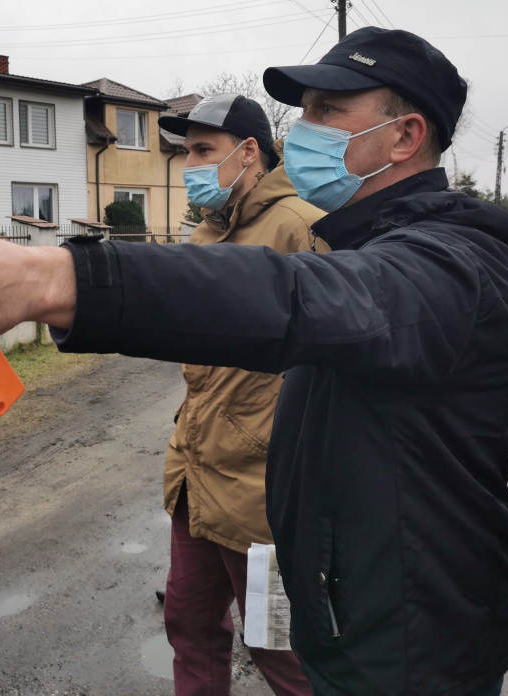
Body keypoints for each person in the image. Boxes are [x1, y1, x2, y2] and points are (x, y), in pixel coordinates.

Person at [0, 28, 508, 696]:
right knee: (197, 628)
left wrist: (57, 280)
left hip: (411, 644)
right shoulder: (358, 238)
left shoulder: (453, 262)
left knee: (273, 653)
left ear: (405, 136)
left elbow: (292, 299)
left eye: (328, 110)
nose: (304, 130)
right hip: (334, 585)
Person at [156, 95, 319, 696]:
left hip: (264, 498)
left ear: (248, 152)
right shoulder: (205, 234)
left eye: (203, 151)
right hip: (194, 482)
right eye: (186, 153)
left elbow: (329, 361)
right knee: (188, 626)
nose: (190, 166)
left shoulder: (300, 225)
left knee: (279, 647)